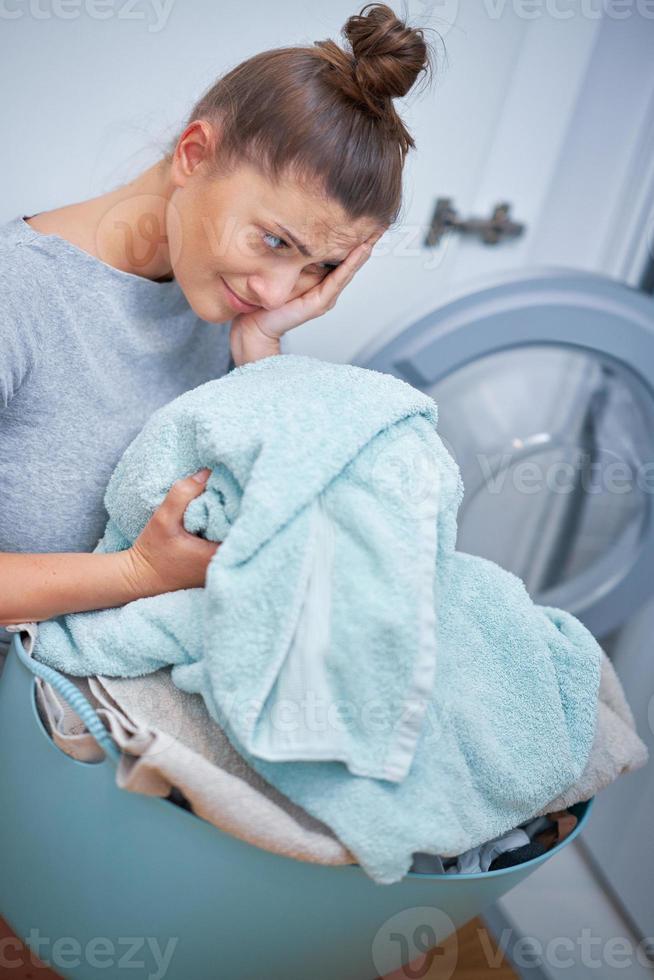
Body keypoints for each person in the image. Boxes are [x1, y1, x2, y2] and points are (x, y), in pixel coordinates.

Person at [0, 2, 437, 674]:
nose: (276, 288)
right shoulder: (19, 295)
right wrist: (138, 572)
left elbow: (272, 538)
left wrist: (260, 352)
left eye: (316, 267)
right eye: (273, 240)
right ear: (194, 154)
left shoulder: (228, 314)